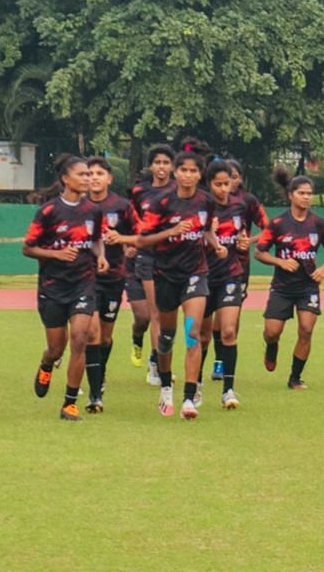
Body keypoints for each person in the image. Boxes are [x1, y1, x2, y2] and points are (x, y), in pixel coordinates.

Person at [133, 150, 222, 419]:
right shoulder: (161, 203)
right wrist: (170, 232)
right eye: (184, 170)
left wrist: (216, 245)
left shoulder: (206, 201)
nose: (189, 175)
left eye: (194, 171)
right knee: (167, 337)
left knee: (192, 332)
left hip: (196, 272)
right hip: (165, 274)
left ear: (200, 174)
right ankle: (166, 386)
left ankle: (188, 399)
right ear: (176, 172)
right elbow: (141, 241)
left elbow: (206, 229)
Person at [23, 155, 107, 421]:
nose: (88, 179)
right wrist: (57, 255)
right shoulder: (48, 211)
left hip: (83, 283)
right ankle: (47, 363)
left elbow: (95, 240)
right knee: (56, 348)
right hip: (53, 287)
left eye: (90, 175)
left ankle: (69, 403)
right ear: (65, 179)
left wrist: (101, 255)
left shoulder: (93, 210)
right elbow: (28, 248)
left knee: (80, 339)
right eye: (82, 175)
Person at [255, 168, 324, 391]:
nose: (306, 197)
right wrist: (280, 262)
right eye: (302, 193)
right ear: (291, 195)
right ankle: (271, 347)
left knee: (306, 329)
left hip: (308, 286)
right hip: (282, 287)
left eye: (309, 193)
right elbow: (259, 252)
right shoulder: (278, 224)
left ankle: (295, 377)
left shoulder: (319, 224)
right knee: (272, 332)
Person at [85, 156, 138, 413]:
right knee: (91, 333)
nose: (94, 177)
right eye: (90, 173)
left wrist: (126, 241)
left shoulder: (122, 206)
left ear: (109, 178)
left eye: (99, 173)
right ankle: (95, 394)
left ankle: (100, 373)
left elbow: (142, 235)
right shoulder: (78, 205)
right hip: (84, 278)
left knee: (105, 337)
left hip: (115, 277)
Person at [199, 159, 252, 409]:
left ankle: (228, 390)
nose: (223, 188)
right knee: (200, 335)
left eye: (227, 183)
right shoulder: (199, 207)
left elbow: (242, 236)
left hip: (231, 274)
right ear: (209, 184)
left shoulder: (239, 207)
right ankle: (195, 384)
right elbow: (185, 241)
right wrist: (206, 235)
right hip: (200, 275)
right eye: (218, 184)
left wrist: (242, 243)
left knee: (229, 331)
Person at [217, 159, 268, 381]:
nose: (230, 182)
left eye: (235, 176)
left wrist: (250, 240)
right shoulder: (209, 202)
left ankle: (222, 362)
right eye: (226, 178)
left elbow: (269, 228)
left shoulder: (248, 201)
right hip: (209, 265)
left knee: (231, 315)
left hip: (238, 265)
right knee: (211, 320)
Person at [129, 145, 176, 385]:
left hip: (175, 259)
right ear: (151, 166)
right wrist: (130, 241)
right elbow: (133, 222)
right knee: (152, 313)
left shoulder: (181, 191)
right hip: (147, 256)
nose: (161, 167)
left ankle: (159, 357)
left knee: (170, 315)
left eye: (166, 162)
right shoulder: (140, 192)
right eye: (157, 162)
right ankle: (156, 365)